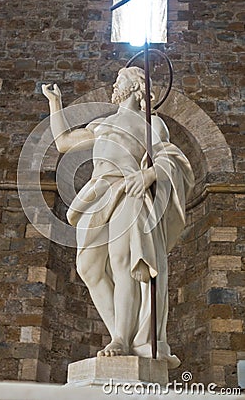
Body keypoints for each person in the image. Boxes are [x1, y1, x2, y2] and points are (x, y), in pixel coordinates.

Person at [42, 67, 194, 368]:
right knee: (89, 267)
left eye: (121, 79)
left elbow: (170, 157)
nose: (115, 83)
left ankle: (121, 340)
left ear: (137, 87)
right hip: (98, 195)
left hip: (129, 191)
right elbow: (63, 142)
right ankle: (119, 333)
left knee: (123, 261)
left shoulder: (152, 123)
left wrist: (149, 174)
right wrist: (55, 103)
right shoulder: (102, 124)